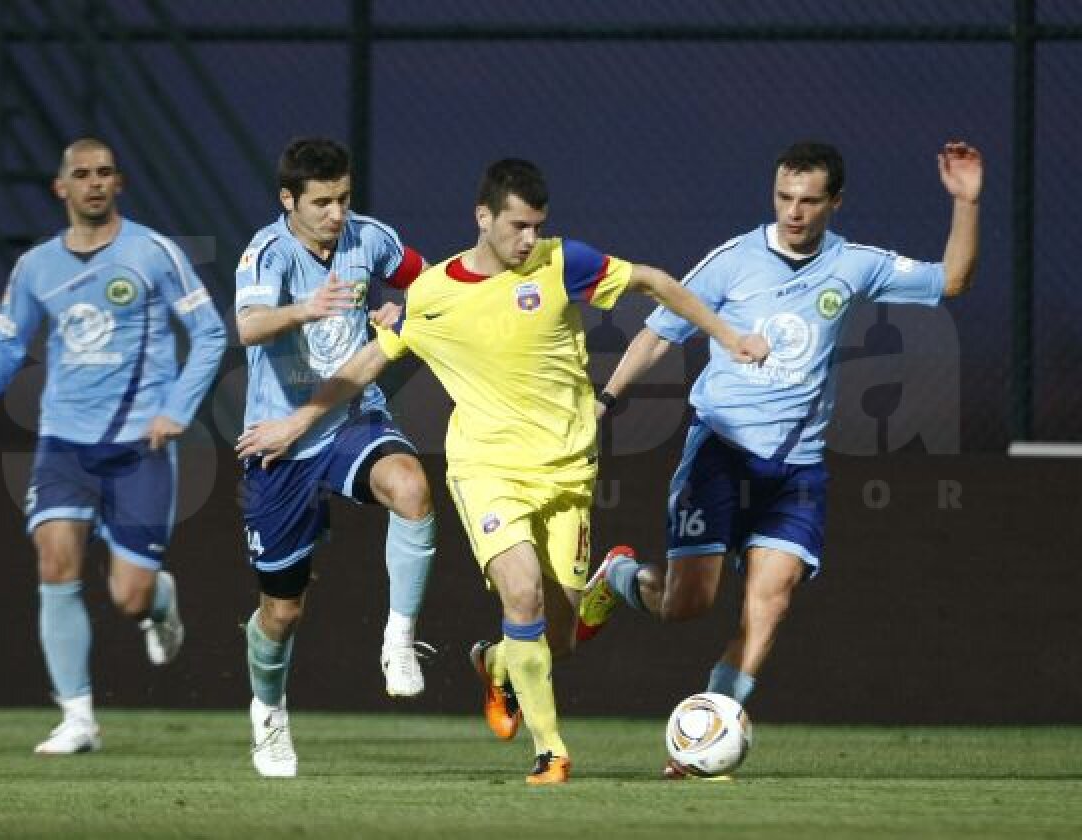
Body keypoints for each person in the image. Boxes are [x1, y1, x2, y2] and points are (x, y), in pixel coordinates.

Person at [236, 158, 768, 784]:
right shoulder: (432, 295)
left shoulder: (561, 262)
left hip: (567, 469)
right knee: (515, 590)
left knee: (557, 639)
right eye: (517, 226)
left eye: (536, 227)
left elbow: (652, 280)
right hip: (486, 468)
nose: (527, 240)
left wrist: (727, 336)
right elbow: (365, 362)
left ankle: (497, 663)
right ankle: (550, 752)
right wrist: (298, 420)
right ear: (484, 218)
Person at [576, 140, 984, 776]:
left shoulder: (855, 265)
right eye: (784, 197)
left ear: (835, 203)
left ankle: (703, 740)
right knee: (688, 604)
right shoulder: (733, 261)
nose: (794, 211)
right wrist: (604, 402)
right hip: (719, 451)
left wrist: (967, 201)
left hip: (796, 468)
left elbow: (951, 280)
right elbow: (660, 332)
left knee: (771, 600)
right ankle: (622, 577)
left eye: (809, 200)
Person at [0, 137, 227, 754]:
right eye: (81, 174)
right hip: (63, 442)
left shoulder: (154, 252)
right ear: (61, 188)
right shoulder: (35, 268)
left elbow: (210, 335)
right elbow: (7, 337)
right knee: (55, 563)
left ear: (119, 183)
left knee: (127, 596)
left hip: (140, 444)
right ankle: (78, 718)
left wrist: (176, 409)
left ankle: (160, 601)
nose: (94, 183)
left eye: (105, 172)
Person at [233, 137, 436, 778]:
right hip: (281, 442)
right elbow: (248, 326)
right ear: (288, 199)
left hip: (352, 414)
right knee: (282, 613)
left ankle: (399, 640)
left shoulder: (369, 239)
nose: (336, 213)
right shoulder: (268, 252)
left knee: (412, 487)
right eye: (321, 201)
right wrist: (305, 308)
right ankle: (269, 718)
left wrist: (404, 304)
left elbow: (429, 282)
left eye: (344, 198)